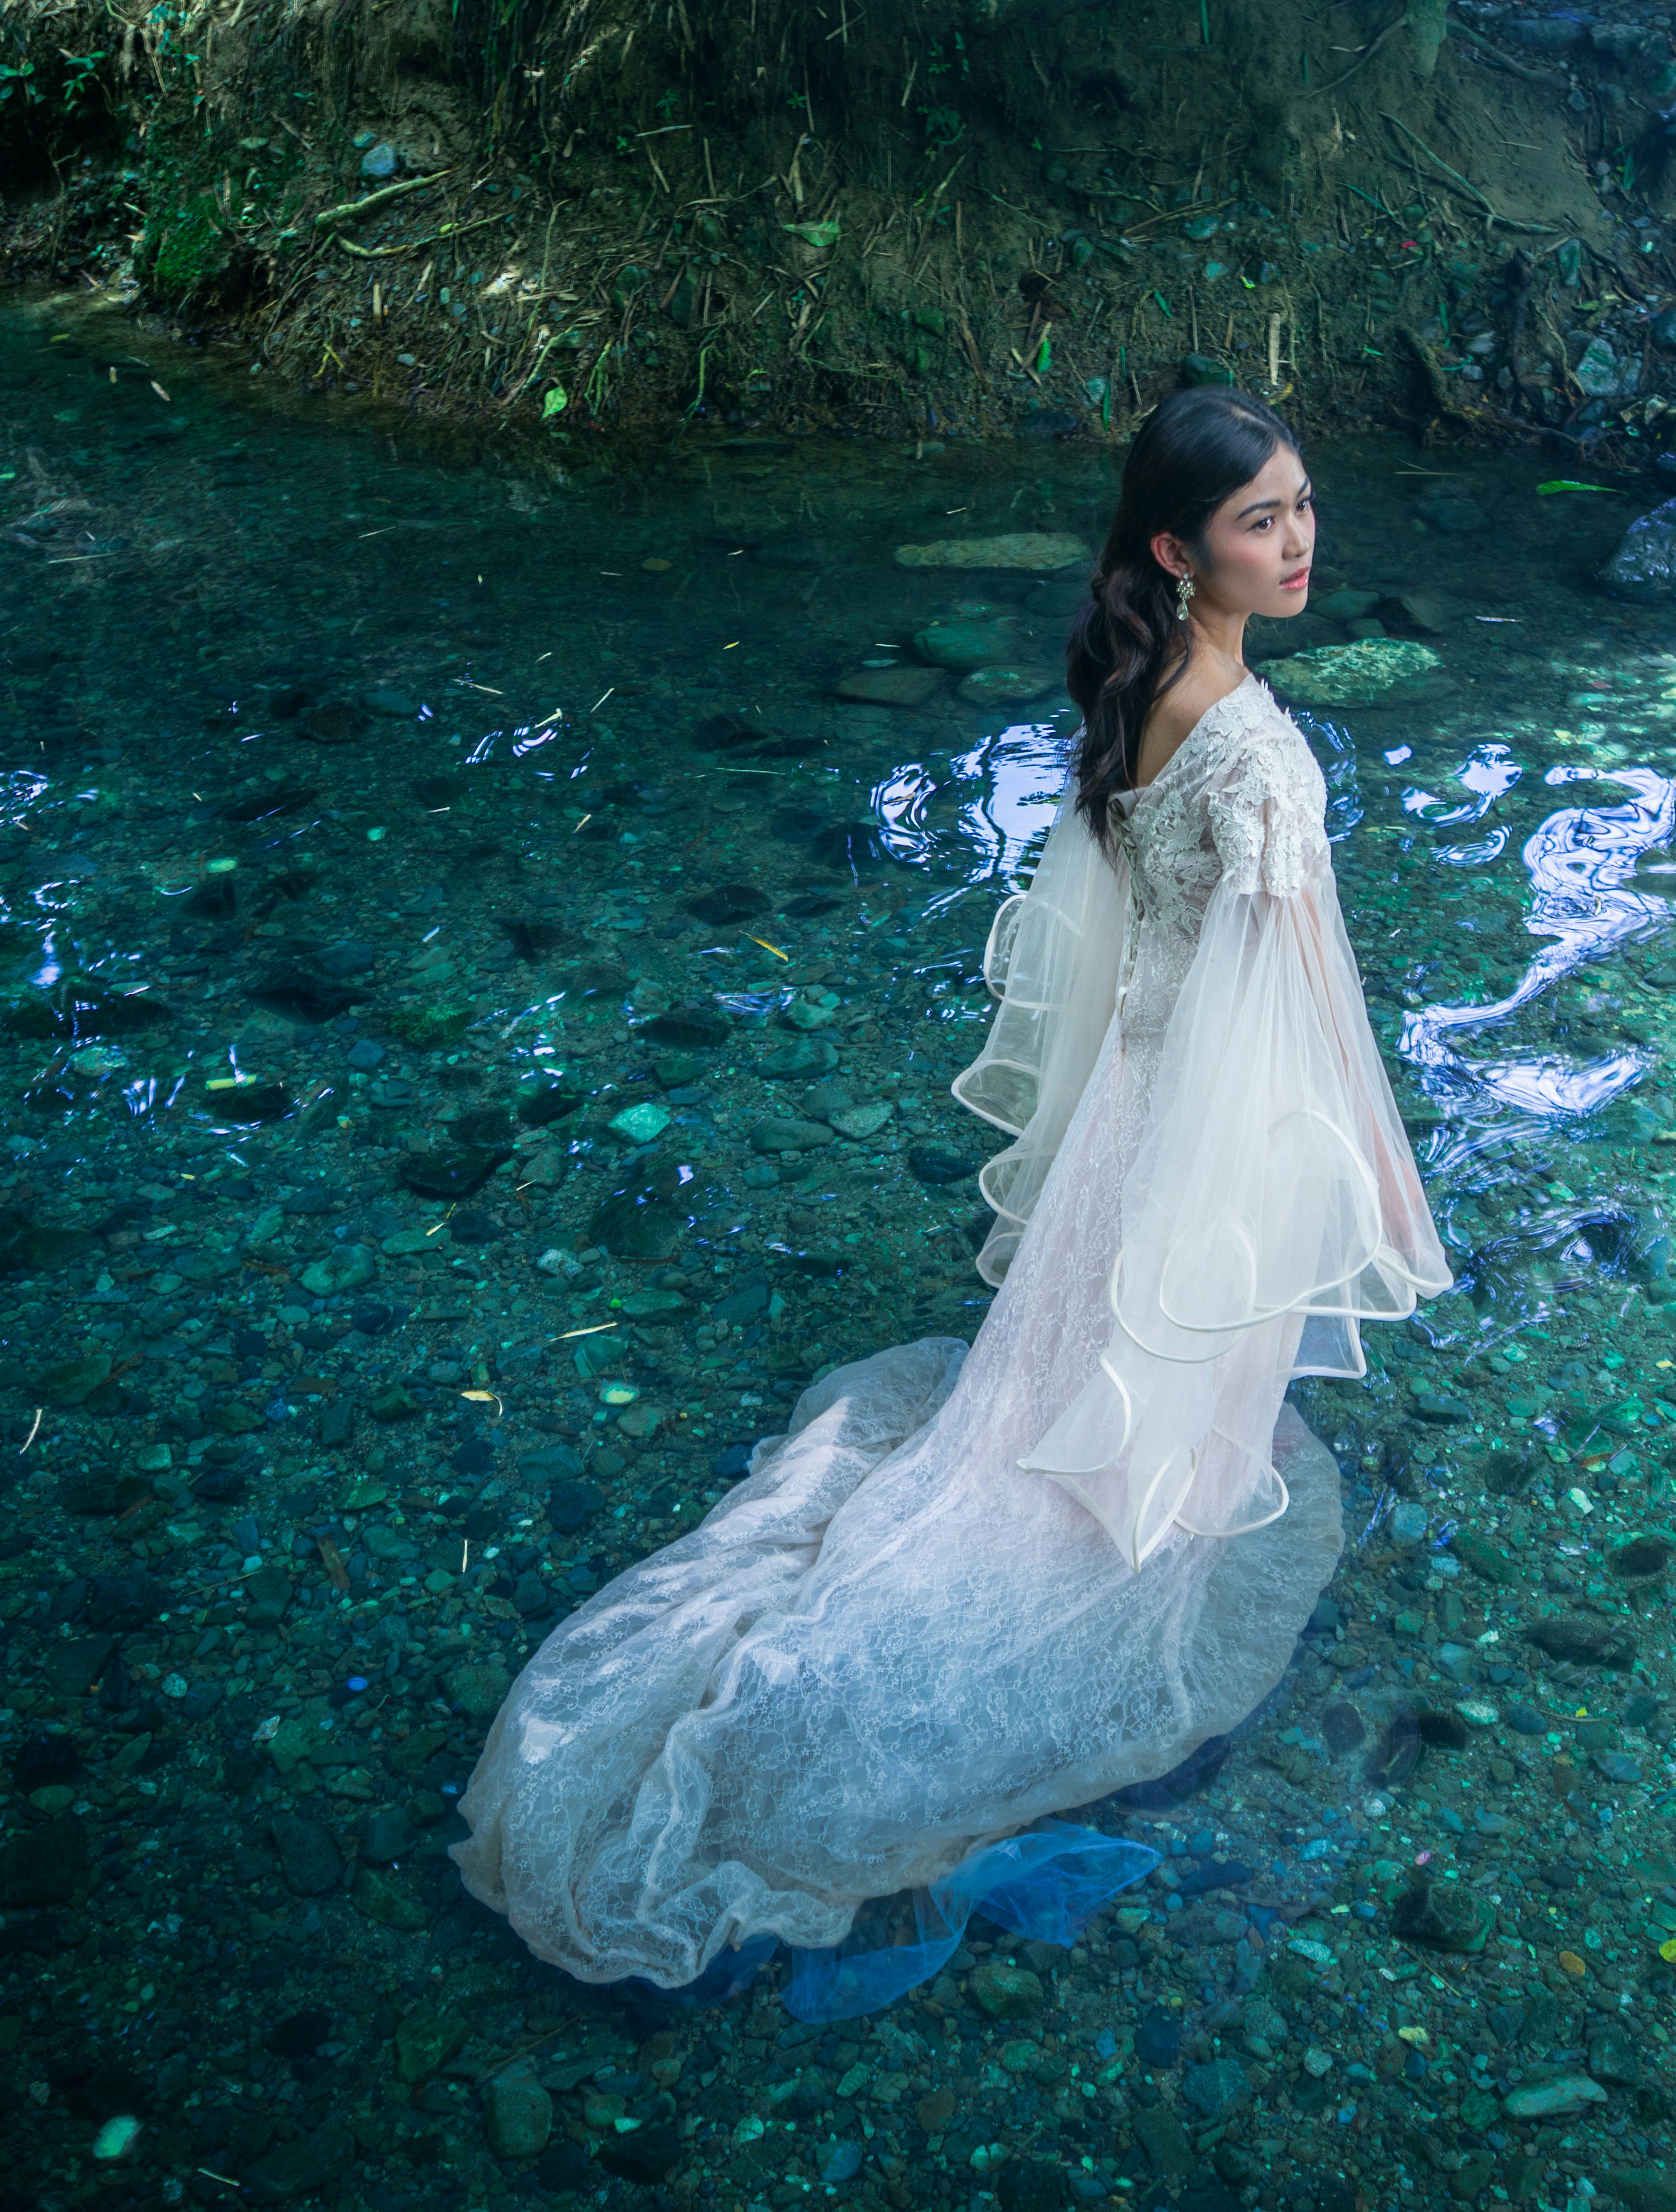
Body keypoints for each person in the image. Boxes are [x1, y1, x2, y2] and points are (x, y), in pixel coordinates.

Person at [447, 385, 1450, 2018]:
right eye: (1262, 518)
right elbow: (1286, 1004)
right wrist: (1333, 1175)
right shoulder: (1255, 748)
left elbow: (1123, 938)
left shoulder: (1147, 691)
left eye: (1305, 507)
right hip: (1207, 1123)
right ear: (1176, 546)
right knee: (1150, 1463)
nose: (1300, 542)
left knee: (1054, 1386)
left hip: (1138, 1103)